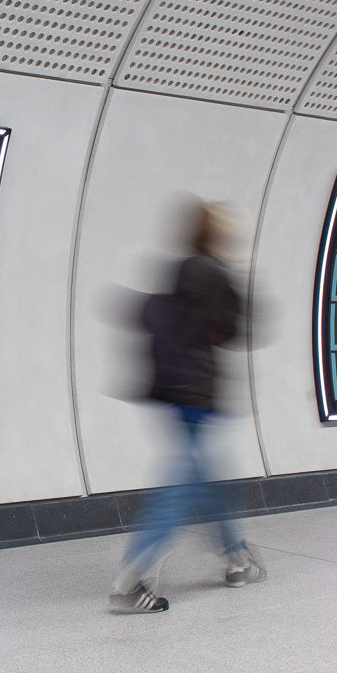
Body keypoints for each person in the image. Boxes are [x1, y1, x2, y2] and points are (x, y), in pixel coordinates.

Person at [110, 201, 264, 614]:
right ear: (216, 236)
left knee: (208, 477)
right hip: (196, 390)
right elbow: (240, 325)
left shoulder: (179, 272)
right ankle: (132, 576)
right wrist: (233, 274)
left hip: (173, 388)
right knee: (184, 484)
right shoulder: (212, 273)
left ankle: (237, 558)